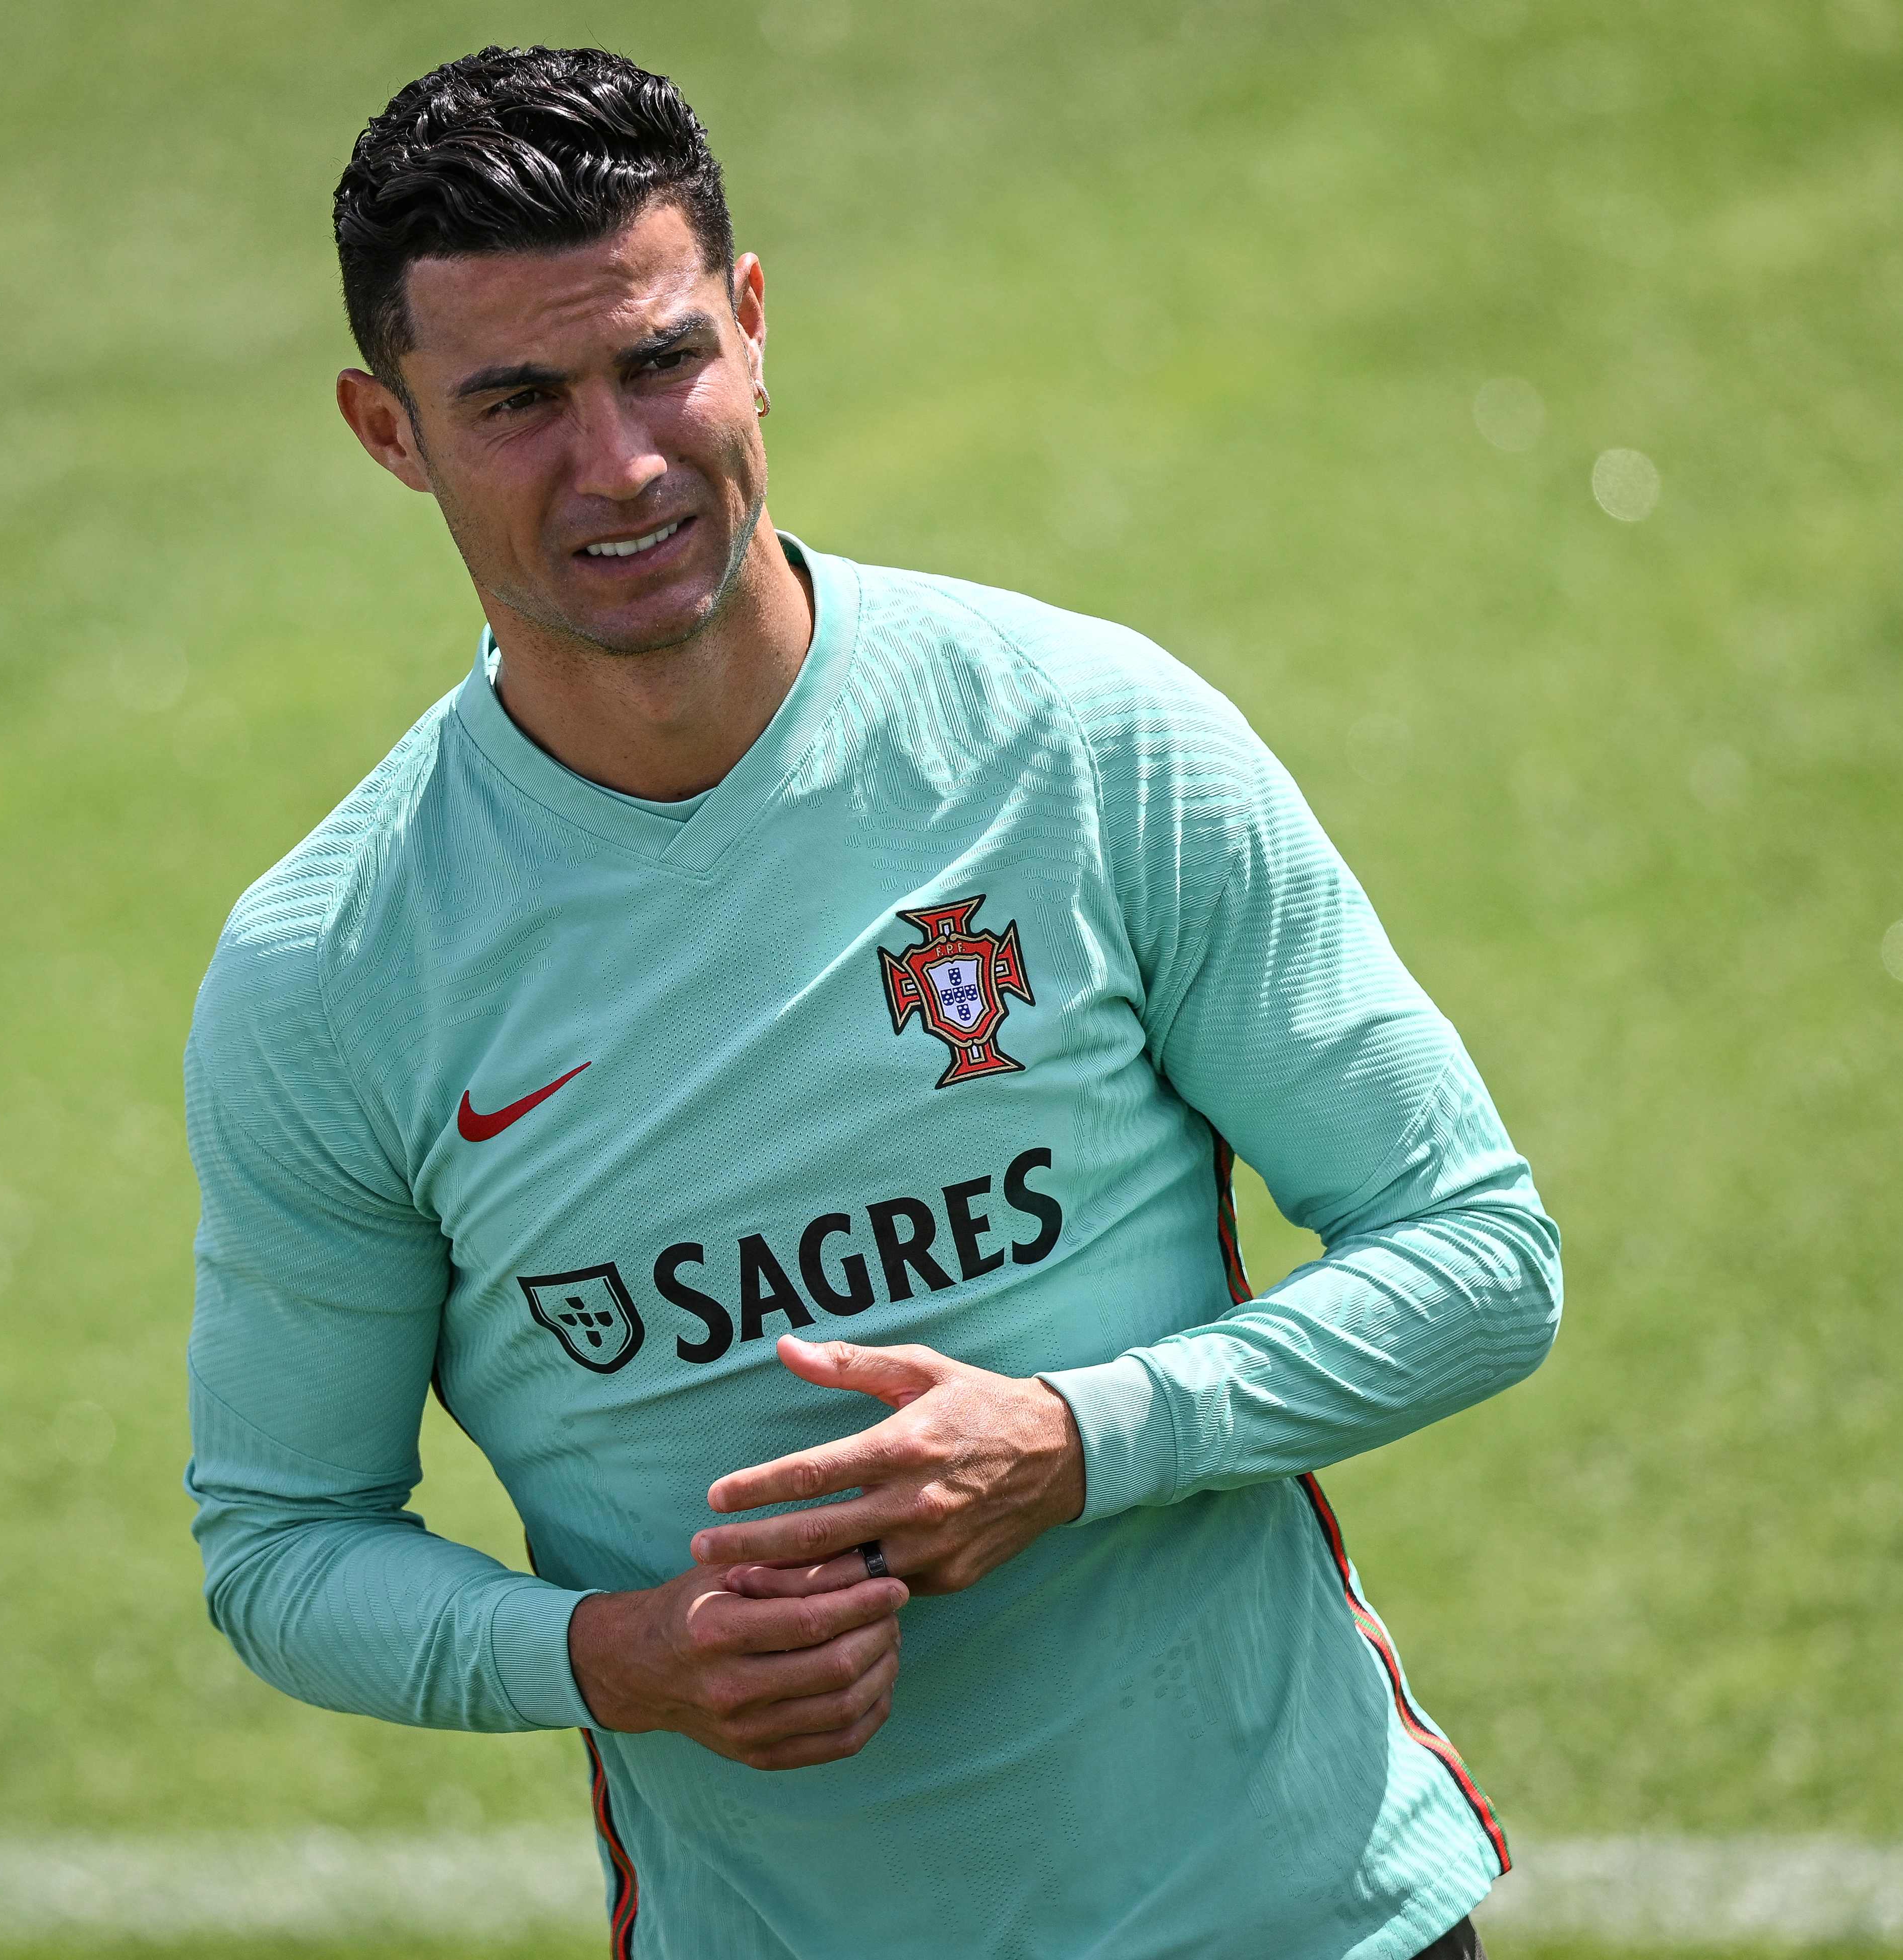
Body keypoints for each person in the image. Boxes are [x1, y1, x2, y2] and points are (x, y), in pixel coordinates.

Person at [182, 44, 1561, 1960]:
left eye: (660, 358)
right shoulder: (332, 972)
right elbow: (280, 1537)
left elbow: (1480, 1256)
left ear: (751, 324)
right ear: (387, 428)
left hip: (1297, 1921)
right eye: (515, 400)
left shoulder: (1086, 742)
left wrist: (1081, 1439)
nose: (621, 463)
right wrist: (610, 1655)